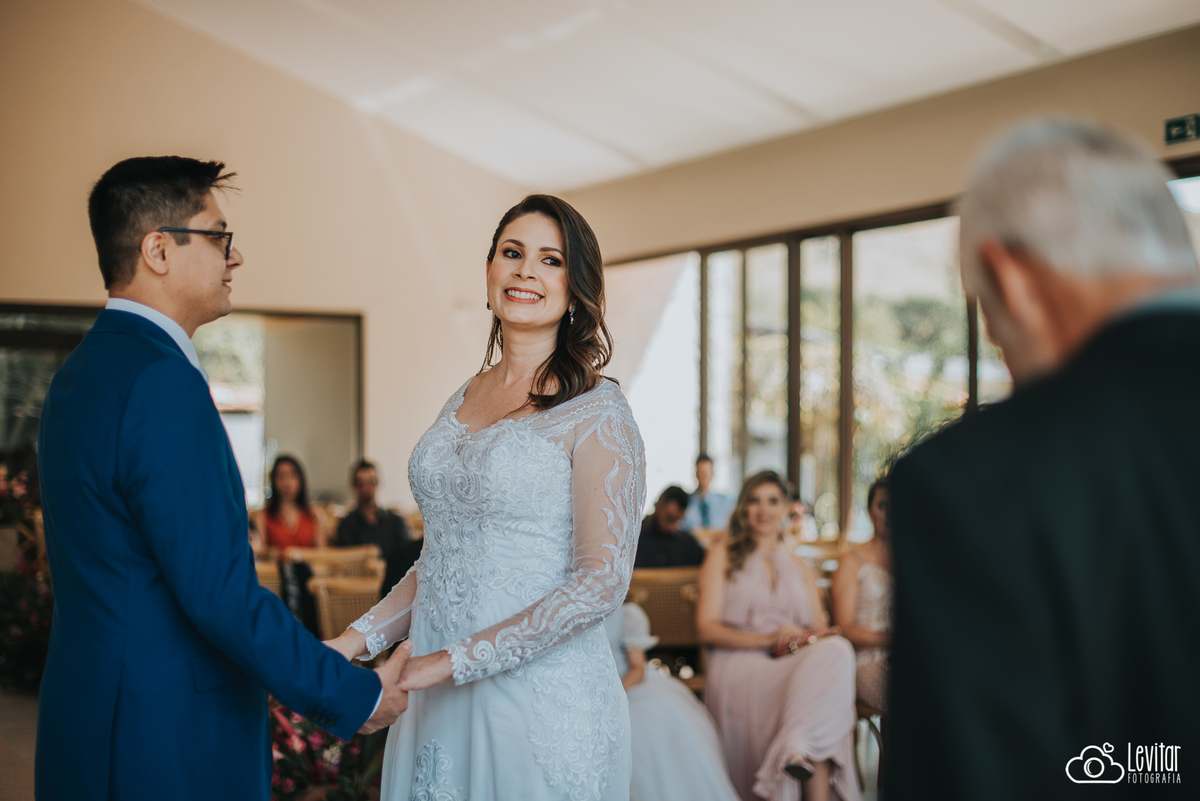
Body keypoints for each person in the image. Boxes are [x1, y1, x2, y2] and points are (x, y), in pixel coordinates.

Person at [35, 156, 409, 801]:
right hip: (165, 732)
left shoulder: (81, 371)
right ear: (158, 250)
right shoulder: (162, 383)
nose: (234, 258)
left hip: (89, 714)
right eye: (219, 236)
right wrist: (352, 692)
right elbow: (219, 593)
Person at [887, 118, 1200, 800]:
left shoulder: (974, 480)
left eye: (987, 315)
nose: (999, 343)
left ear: (1010, 274)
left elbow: (974, 772)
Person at [325, 194, 646, 800]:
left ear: (576, 289)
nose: (527, 270)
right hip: (431, 696)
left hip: (537, 699)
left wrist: (444, 664)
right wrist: (351, 643)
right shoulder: (462, 397)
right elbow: (442, 561)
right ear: (491, 270)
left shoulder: (599, 413)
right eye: (512, 253)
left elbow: (601, 583)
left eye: (551, 260)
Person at [697, 471, 860, 801]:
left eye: (773, 501)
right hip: (739, 663)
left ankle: (796, 747)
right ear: (744, 507)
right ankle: (802, 761)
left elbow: (819, 626)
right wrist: (767, 637)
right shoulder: (723, 555)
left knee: (839, 650)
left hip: (789, 658)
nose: (763, 509)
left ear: (786, 507)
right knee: (818, 709)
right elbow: (706, 628)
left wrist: (796, 636)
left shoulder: (798, 564)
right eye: (755, 500)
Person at [603, 601, 740, 801]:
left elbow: (637, 669)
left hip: (626, 686)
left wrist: (610, 696)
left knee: (641, 730)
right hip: (586, 690)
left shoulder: (627, 614)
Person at [829, 476, 891, 712]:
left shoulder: (913, 559)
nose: (890, 513)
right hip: (866, 659)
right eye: (883, 506)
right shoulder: (852, 560)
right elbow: (843, 627)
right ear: (869, 511)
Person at [336, 460, 419, 595]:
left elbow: (406, 558)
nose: (367, 488)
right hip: (357, 591)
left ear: (378, 483)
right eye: (361, 483)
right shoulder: (346, 525)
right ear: (354, 486)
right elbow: (347, 565)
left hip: (394, 587)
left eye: (371, 482)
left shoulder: (396, 522)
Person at [252, 454, 328, 553]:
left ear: (301, 479)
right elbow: (261, 554)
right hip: (274, 568)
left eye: (292, 476)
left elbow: (323, 556)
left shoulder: (316, 515)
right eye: (281, 477)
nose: (287, 483)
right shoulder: (262, 516)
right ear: (273, 482)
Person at [634, 485, 707, 567]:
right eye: (669, 519)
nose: (672, 527)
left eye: (678, 521)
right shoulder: (633, 539)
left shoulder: (687, 545)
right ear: (658, 505)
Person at [683, 453, 733, 533]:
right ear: (696, 474)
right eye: (701, 472)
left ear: (712, 473)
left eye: (707, 472)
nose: (704, 476)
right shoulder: (685, 502)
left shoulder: (726, 502)